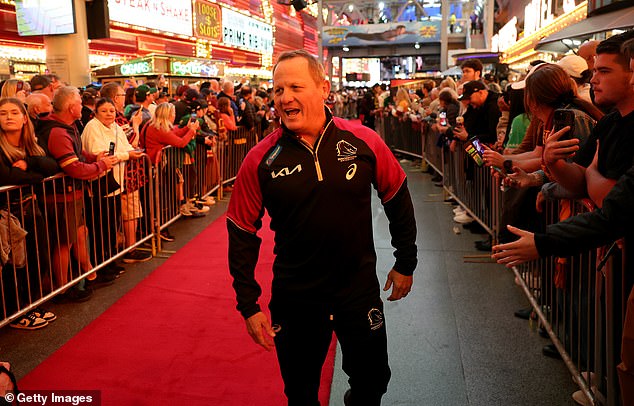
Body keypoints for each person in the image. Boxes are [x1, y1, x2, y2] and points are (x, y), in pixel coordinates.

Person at [227, 49, 417, 406]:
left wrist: (406, 261)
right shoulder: (260, 160)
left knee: (373, 381)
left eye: (295, 87)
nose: (285, 98)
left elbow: (397, 195)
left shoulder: (363, 140)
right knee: (299, 394)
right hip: (296, 298)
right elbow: (240, 232)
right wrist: (248, 305)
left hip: (357, 290)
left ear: (324, 89)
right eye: (278, 90)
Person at [492, 34, 634, 406]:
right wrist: (553, 164)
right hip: (611, 249)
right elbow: (577, 180)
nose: (592, 80)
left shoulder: (581, 118)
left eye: (602, 70)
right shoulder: (609, 124)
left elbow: (611, 208)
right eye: (591, 70)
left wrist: (542, 241)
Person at [37, 86, 118, 302]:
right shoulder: (57, 131)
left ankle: (86, 273)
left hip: (71, 194)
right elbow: (73, 167)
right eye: (80, 103)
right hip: (62, 197)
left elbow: (78, 154)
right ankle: (62, 288)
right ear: (72, 107)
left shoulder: (67, 126)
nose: (83, 106)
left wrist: (93, 158)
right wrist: (101, 164)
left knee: (79, 236)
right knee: (64, 243)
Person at [0, 98, 59, 329]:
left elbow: (52, 166)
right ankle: (16, 312)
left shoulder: (31, 145)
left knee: (39, 258)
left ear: (25, 118)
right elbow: (6, 177)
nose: (8, 117)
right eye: (3, 113)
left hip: (30, 208)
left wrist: (28, 162)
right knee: (15, 266)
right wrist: (35, 175)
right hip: (7, 214)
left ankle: (30, 305)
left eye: (14, 112)